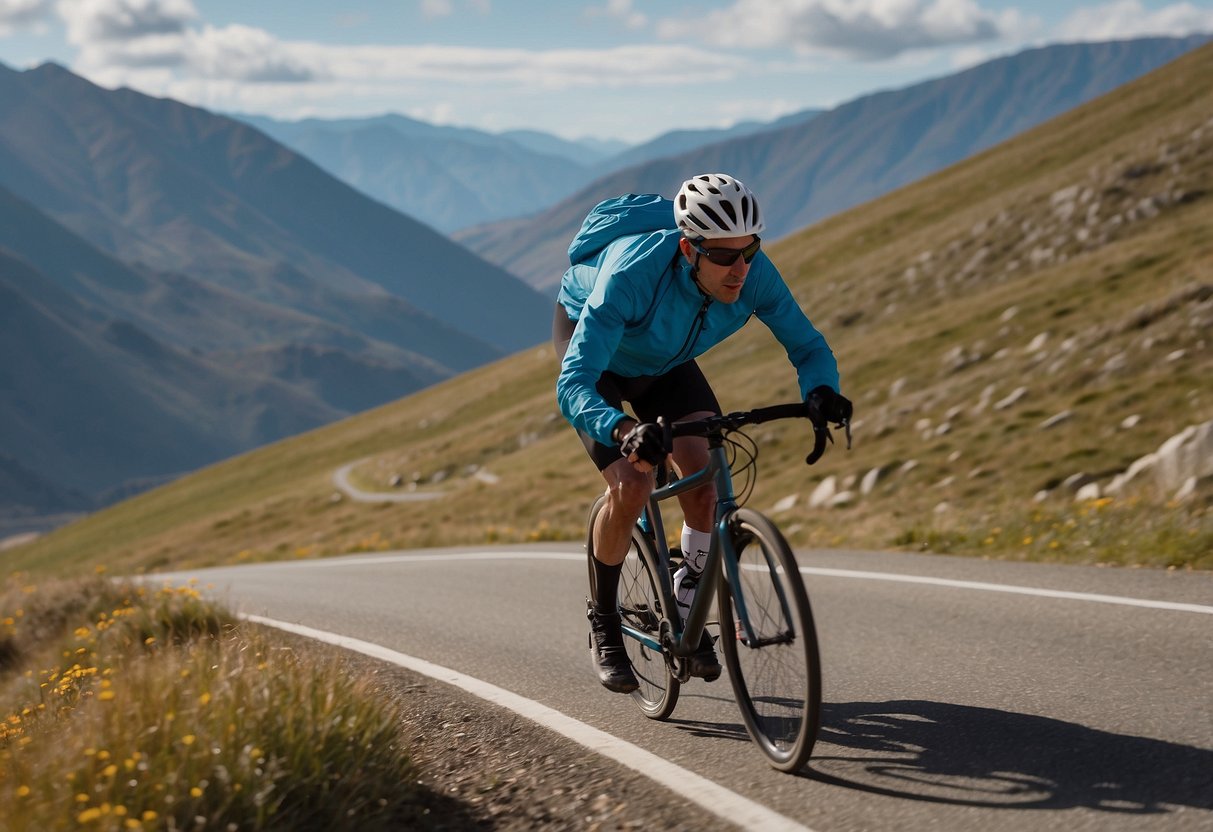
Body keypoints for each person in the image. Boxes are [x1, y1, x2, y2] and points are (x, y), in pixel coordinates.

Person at [553, 173, 851, 693]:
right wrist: (621, 427)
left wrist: (821, 390)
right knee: (633, 484)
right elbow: (573, 383)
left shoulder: (753, 274)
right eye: (724, 256)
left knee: (705, 486)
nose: (740, 268)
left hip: (666, 364)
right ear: (689, 249)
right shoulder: (630, 275)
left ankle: (684, 607)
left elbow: (807, 346)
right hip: (598, 360)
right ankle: (603, 621)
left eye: (750, 250)